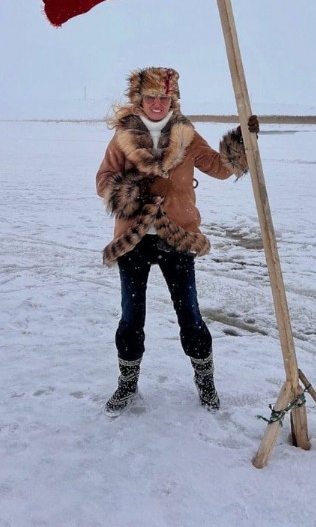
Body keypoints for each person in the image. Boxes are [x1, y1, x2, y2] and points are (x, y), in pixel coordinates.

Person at [96, 66, 259, 414]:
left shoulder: (186, 134)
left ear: (173, 100)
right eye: (150, 97)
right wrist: (139, 190)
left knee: (190, 315)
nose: (157, 104)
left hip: (177, 238)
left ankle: (205, 382)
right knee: (131, 318)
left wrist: (242, 141)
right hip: (134, 240)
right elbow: (103, 181)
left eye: (164, 98)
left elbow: (219, 167)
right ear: (139, 99)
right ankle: (127, 384)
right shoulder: (124, 136)